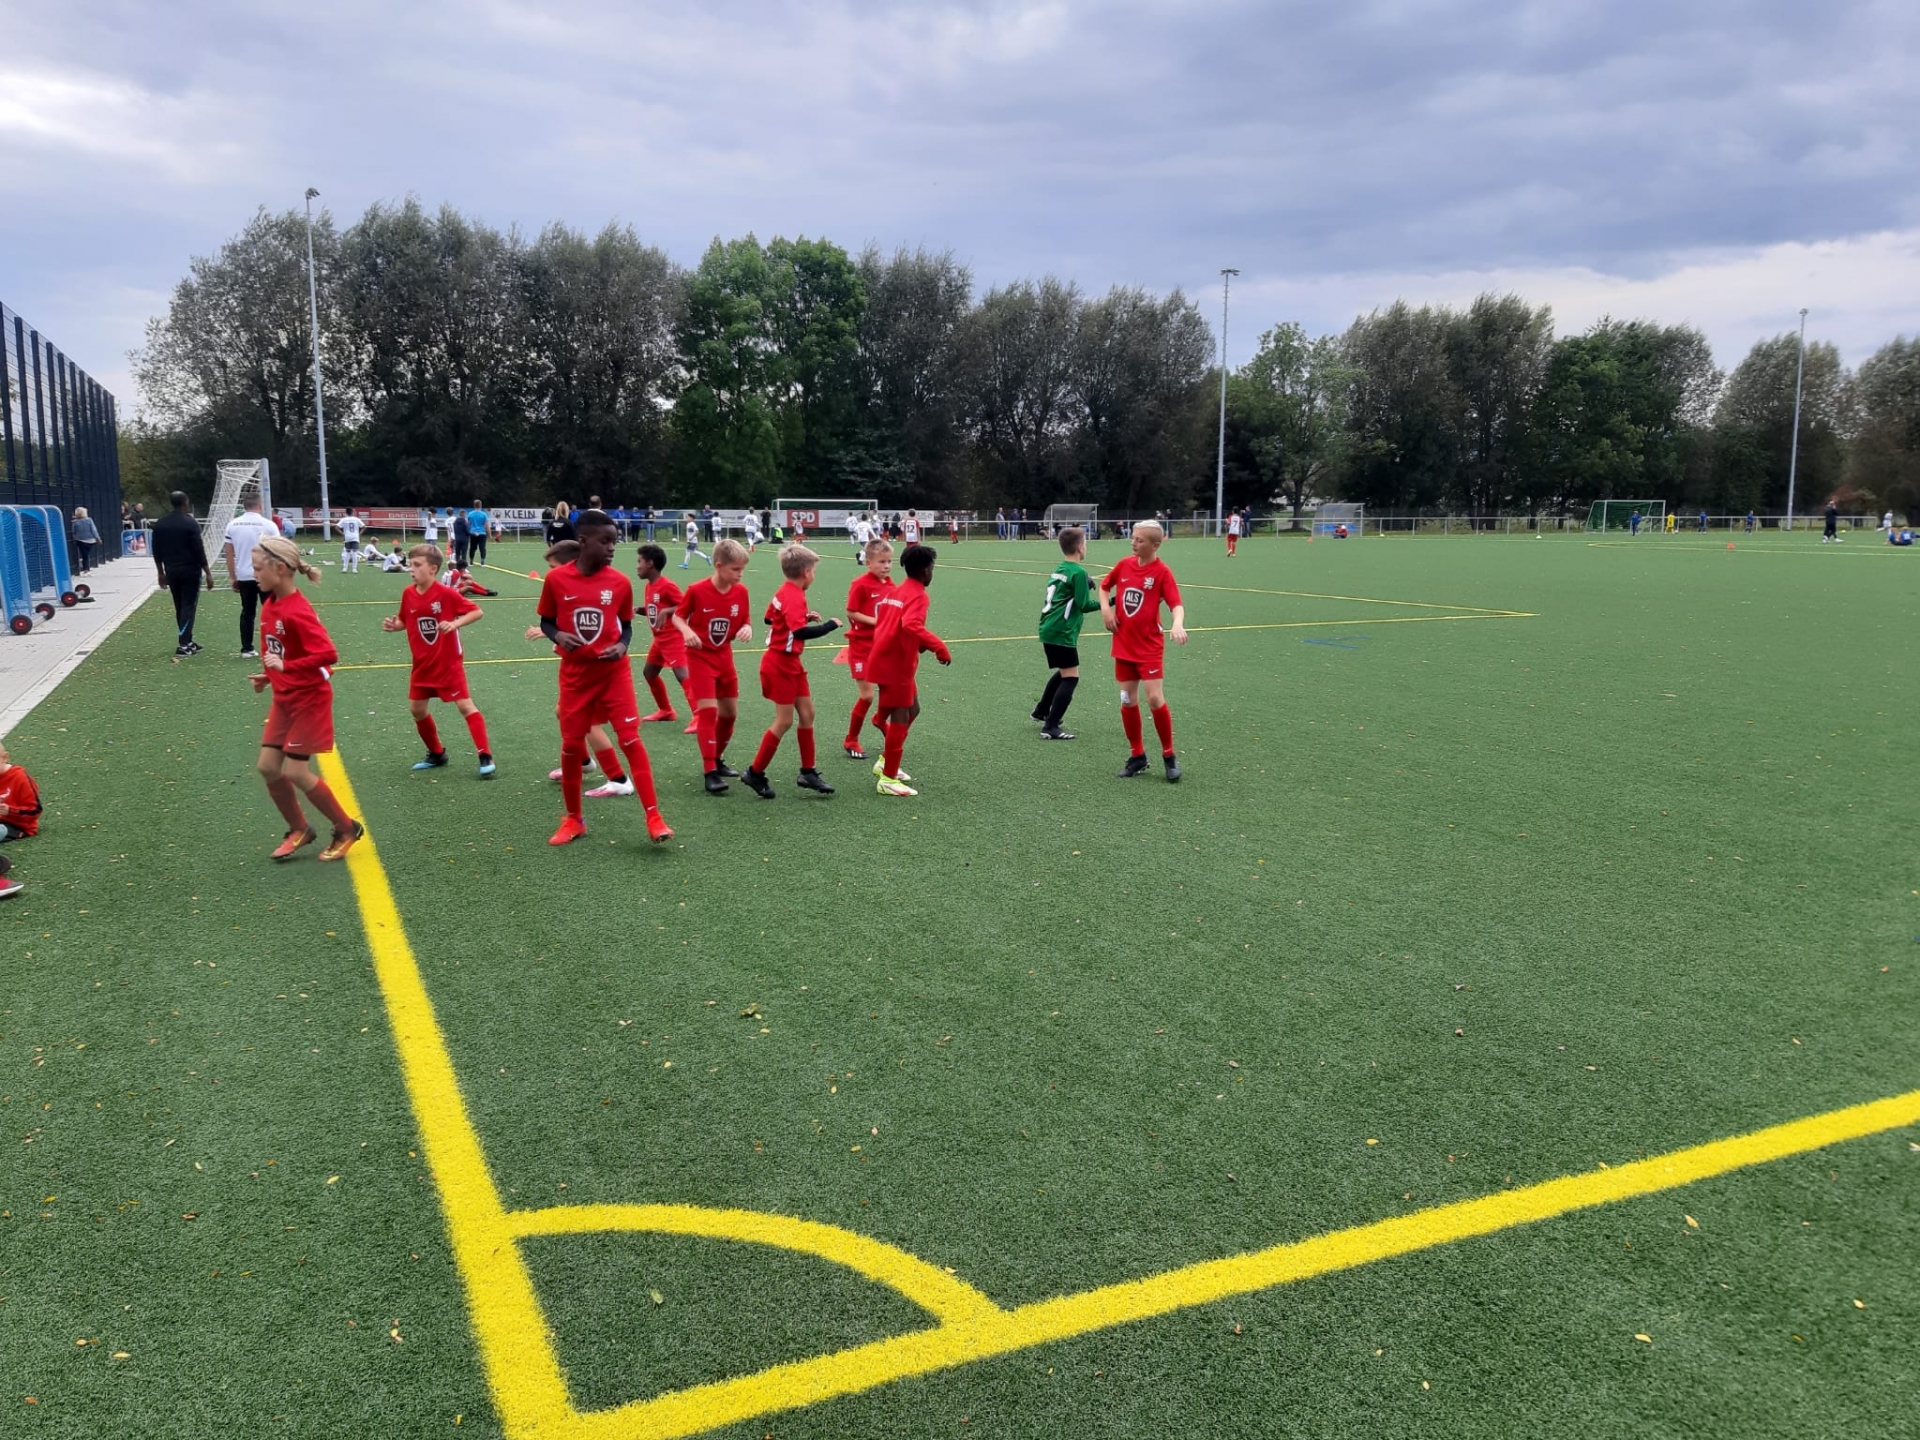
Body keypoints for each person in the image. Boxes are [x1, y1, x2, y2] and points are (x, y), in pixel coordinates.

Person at [535, 511, 673, 846]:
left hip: (614, 674)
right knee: (571, 746)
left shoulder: (620, 583)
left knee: (631, 740)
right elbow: (546, 621)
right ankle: (574, 820)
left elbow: (625, 627)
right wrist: (558, 636)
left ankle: (654, 818)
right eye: (606, 541)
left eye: (615, 541)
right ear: (583, 541)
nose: (613, 547)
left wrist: (622, 646)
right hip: (576, 676)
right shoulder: (556, 580)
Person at [246, 535, 364, 861]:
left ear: (280, 569)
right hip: (285, 698)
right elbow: (280, 652)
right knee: (268, 767)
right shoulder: (271, 604)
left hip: (309, 699)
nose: (253, 574)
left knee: (297, 772)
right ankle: (299, 828)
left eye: (257, 568)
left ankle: (346, 827)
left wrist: (286, 667)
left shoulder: (297, 610)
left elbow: (328, 654)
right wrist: (270, 676)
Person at [529, 539, 633, 798]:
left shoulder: (598, 587)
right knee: (563, 712)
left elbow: (602, 630)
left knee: (586, 722)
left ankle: (618, 778)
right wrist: (551, 634)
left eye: (553, 568)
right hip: (586, 671)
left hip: (601, 672)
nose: (549, 575)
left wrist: (558, 637)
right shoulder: (567, 590)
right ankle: (583, 761)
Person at [384, 543, 496, 778]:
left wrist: (455, 623)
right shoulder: (408, 593)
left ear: (433, 569)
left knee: (465, 706)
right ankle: (437, 754)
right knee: (417, 709)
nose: (411, 569)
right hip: (422, 664)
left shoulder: (446, 594)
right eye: (410, 564)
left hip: (447, 663)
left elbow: (476, 611)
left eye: (417, 565)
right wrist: (395, 626)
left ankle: (485, 754)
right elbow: (404, 620)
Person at [739, 544, 840, 800]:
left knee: (807, 714)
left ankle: (808, 772)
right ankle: (754, 772)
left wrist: (802, 616)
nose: (814, 575)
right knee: (784, 720)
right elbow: (799, 633)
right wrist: (830, 625)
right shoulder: (794, 595)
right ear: (806, 572)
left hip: (791, 663)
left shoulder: (785, 590)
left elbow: (770, 618)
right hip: (779, 664)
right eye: (814, 571)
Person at [1098, 520, 1187, 783]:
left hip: (1149, 647)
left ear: (1155, 545)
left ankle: (1169, 756)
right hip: (1123, 644)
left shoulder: (1162, 572)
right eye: (1133, 538)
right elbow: (1104, 587)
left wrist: (1177, 624)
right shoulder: (1124, 565)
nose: (1133, 542)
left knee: (1155, 699)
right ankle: (1137, 755)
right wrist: (1106, 610)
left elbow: (1176, 604)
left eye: (1139, 540)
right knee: (1127, 699)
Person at [868, 543, 950, 797]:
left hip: (887, 660)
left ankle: (885, 761)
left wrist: (919, 645)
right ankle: (888, 778)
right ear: (926, 570)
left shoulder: (897, 590)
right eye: (932, 568)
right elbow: (911, 624)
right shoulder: (918, 595)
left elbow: (892, 624)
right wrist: (938, 646)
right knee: (901, 717)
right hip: (894, 665)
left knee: (913, 709)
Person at [673, 538, 752, 792]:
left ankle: (716, 759)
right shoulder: (697, 590)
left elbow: (745, 619)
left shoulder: (741, 592)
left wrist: (747, 627)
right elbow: (678, 616)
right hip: (700, 658)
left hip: (724, 658)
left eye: (742, 569)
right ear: (718, 566)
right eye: (735, 569)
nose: (740, 574)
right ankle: (709, 771)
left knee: (729, 714)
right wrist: (686, 630)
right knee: (708, 712)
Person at [1033, 527, 1101, 740]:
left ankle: (1042, 710)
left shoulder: (1060, 568)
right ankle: (1051, 726)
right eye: (1085, 543)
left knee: (1064, 672)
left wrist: (1084, 582)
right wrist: (1110, 602)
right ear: (1080, 547)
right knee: (1071, 678)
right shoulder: (1078, 572)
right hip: (1062, 630)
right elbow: (1084, 605)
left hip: (1049, 627)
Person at [841, 537, 895, 760]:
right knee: (867, 696)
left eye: (889, 561)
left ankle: (879, 720)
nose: (886, 566)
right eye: (882, 562)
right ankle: (851, 739)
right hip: (861, 647)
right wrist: (877, 622)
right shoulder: (860, 584)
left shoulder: (890, 585)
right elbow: (851, 612)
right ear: (868, 562)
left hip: (882, 648)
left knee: (890, 692)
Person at [634, 544, 697, 727]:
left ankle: (700, 715)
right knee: (649, 672)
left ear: (650, 564)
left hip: (673, 637)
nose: (637, 566)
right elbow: (654, 610)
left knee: (682, 674)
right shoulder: (649, 586)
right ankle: (666, 711)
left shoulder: (667, 586)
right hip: (659, 639)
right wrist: (638, 609)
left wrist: (668, 611)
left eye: (639, 561)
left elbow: (687, 606)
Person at [152, 490, 213, 657]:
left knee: (179, 605)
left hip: (171, 570)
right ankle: (184, 644)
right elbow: (198, 550)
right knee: (188, 605)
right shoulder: (190, 523)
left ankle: (187, 640)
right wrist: (207, 572)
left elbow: (156, 550)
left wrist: (160, 572)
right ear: (185, 503)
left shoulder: (161, 524)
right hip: (190, 570)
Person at [221, 490, 281, 658]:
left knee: (247, 612)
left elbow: (229, 553)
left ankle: (247, 648)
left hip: (244, 575)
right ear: (260, 506)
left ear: (244, 506)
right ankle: (272, 648)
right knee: (271, 612)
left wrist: (232, 576)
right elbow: (278, 551)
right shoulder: (269, 525)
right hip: (266, 575)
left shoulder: (233, 525)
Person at [0, 742, 38, 900]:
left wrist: (11, 811)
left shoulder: (19, 776)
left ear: (4, 757)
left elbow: (35, 810)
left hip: (16, 825)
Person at [71, 508, 100, 572]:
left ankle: (85, 567)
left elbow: (73, 532)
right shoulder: (89, 520)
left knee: (84, 554)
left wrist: (74, 539)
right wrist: (98, 538)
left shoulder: (74, 522)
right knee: (86, 554)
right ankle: (86, 567)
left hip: (80, 540)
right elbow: (94, 530)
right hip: (90, 540)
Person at [466, 501, 490, 566]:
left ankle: (471, 561)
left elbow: (468, 524)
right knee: (482, 548)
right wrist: (489, 534)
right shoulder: (484, 514)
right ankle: (482, 561)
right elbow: (487, 525)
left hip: (473, 532)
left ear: (474, 505)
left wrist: (468, 532)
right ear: (480, 505)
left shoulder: (470, 514)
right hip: (482, 533)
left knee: (472, 548)